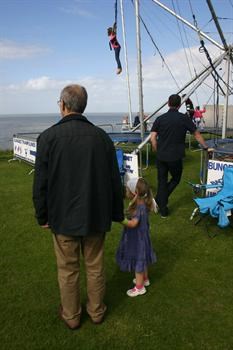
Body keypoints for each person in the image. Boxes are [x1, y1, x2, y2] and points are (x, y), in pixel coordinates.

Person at [33, 84, 124, 330]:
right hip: (95, 215)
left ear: (63, 105)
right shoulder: (102, 138)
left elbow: (40, 183)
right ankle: (95, 312)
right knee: (94, 267)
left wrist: (42, 216)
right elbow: (115, 181)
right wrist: (116, 213)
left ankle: (73, 316)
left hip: (63, 218)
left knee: (68, 270)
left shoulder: (48, 137)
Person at [150, 94, 209, 218]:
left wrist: (156, 149)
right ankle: (161, 203)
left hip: (161, 156)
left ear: (168, 103)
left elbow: (153, 138)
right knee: (175, 179)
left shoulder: (160, 118)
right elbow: (196, 134)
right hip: (175, 157)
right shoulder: (183, 118)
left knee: (162, 182)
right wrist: (205, 147)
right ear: (179, 105)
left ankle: (162, 206)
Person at [116, 177, 156, 297]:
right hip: (143, 237)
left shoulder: (140, 208)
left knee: (139, 262)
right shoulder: (143, 203)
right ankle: (145, 279)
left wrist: (120, 220)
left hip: (137, 239)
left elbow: (133, 224)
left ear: (135, 193)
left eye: (128, 190)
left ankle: (139, 287)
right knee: (143, 258)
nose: (126, 192)